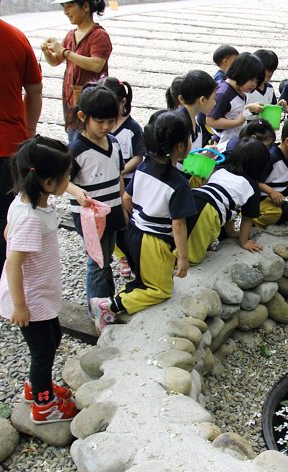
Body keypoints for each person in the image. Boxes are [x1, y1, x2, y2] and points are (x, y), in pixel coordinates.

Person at [89, 111, 196, 334]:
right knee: (160, 290)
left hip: (133, 233)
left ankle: (127, 292)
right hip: (153, 241)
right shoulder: (179, 184)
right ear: (180, 146)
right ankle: (109, 306)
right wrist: (184, 258)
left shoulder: (144, 166)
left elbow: (126, 199)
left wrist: (135, 220)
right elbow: (179, 225)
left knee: (144, 276)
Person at [0, 136, 77, 424]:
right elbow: (14, 261)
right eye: (66, 176)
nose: (69, 179)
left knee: (52, 338)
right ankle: (43, 405)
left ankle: (37, 388)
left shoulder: (25, 202)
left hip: (40, 293)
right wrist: (19, 305)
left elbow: (9, 234)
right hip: (30, 298)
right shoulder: (32, 217)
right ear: (47, 182)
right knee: (43, 352)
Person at [0, 0, 42, 297]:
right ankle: (8, 284)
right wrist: (29, 131)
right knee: (3, 218)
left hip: (4, 142)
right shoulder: (13, 36)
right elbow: (34, 89)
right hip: (6, 142)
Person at [66, 85, 126, 309]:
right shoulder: (77, 150)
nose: (106, 127)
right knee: (97, 261)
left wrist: (123, 203)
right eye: (99, 121)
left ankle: (106, 301)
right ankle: (97, 308)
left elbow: (118, 175)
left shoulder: (113, 143)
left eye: (110, 121)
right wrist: (76, 192)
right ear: (83, 117)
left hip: (113, 209)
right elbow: (61, 181)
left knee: (107, 256)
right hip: (91, 216)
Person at [186, 137, 270, 261]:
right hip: (207, 210)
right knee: (193, 256)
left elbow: (225, 205)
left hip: (192, 197)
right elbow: (247, 219)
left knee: (184, 236)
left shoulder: (220, 170)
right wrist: (244, 241)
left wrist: (230, 233)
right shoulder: (251, 186)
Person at [41, 0, 112, 138]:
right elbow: (56, 60)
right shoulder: (71, 34)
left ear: (85, 7)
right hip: (71, 104)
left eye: (69, 7)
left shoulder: (99, 35)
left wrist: (64, 52)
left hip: (91, 103)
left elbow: (96, 65)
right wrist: (47, 52)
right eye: (63, 7)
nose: (65, 12)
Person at [100, 76, 144, 278]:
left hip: (127, 182)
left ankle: (132, 254)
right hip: (109, 183)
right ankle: (122, 256)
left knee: (128, 220)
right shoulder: (102, 129)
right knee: (115, 222)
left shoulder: (132, 128)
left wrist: (120, 170)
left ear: (123, 102)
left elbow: (138, 156)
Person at [206, 53, 265, 152]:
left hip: (234, 141)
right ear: (241, 72)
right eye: (252, 79)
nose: (254, 84)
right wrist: (237, 122)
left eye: (256, 81)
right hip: (222, 145)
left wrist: (249, 107)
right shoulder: (224, 94)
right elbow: (210, 121)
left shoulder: (240, 91)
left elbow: (233, 110)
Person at [175, 70, 217, 180]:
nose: (215, 103)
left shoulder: (195, 122)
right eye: (214, 98)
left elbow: (187, 157)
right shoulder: (179, 124)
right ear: (202, 100)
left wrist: (203, 155)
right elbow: (176, 159)